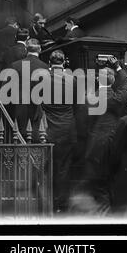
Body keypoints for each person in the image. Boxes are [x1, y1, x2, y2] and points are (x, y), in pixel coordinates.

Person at [42, 50, 77, 212]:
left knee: (47, 166)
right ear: (64, 63)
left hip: (49, 127)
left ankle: (48, 203)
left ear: (50, 63)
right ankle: (62, 203)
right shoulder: (72, 79)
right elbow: (78, 103)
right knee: (64, 167)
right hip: (67, 127)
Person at [10, 38, 49, 141]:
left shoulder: (15, 65)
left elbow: (7, 89)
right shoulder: (44, 67)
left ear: (26, 50)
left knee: (19, 138)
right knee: (37, 138)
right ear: (39, 49)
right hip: (38, 107)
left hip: (20, 106)